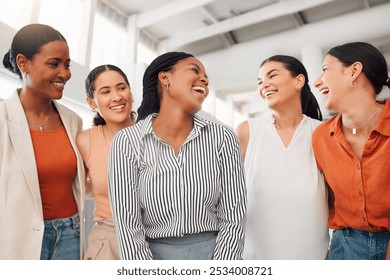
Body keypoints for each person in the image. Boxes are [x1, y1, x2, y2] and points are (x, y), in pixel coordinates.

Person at [108, 51, 246, 260]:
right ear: (165, 78)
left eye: (206, 77)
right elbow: (128, 226)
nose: (205, 80)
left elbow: (234, 216)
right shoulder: (127, 142)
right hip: (151, 257)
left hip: (214, 255)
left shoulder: (223, 138)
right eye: (194, 70)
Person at [0, 23, 85, 259]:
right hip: (20, 239)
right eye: (54, 64)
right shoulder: (2, 121)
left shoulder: (73, 121)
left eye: (67, 65)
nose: (65, 73)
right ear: (23, 63)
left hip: (72, 235)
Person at [236, 55, 329, 259]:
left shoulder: (323, 132)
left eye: (272, 75)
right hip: (256, 260)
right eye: (260, 81)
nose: (264, 85)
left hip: (312, 257)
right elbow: (225, 196)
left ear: (299, 81)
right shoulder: (247, 131)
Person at [312, 42, 390, 260]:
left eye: (325, 70)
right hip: (345, 249)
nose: (317, 82)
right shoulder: (321, 137)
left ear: (354, 71)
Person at [76, 64, 136, 260]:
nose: (117, 97)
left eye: (121, 88)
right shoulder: (85, 141)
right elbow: (75, 188)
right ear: (92, 103)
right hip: (108, 242)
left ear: (131, 93)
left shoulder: (155, 134)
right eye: (105, 91)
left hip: (155, 238)